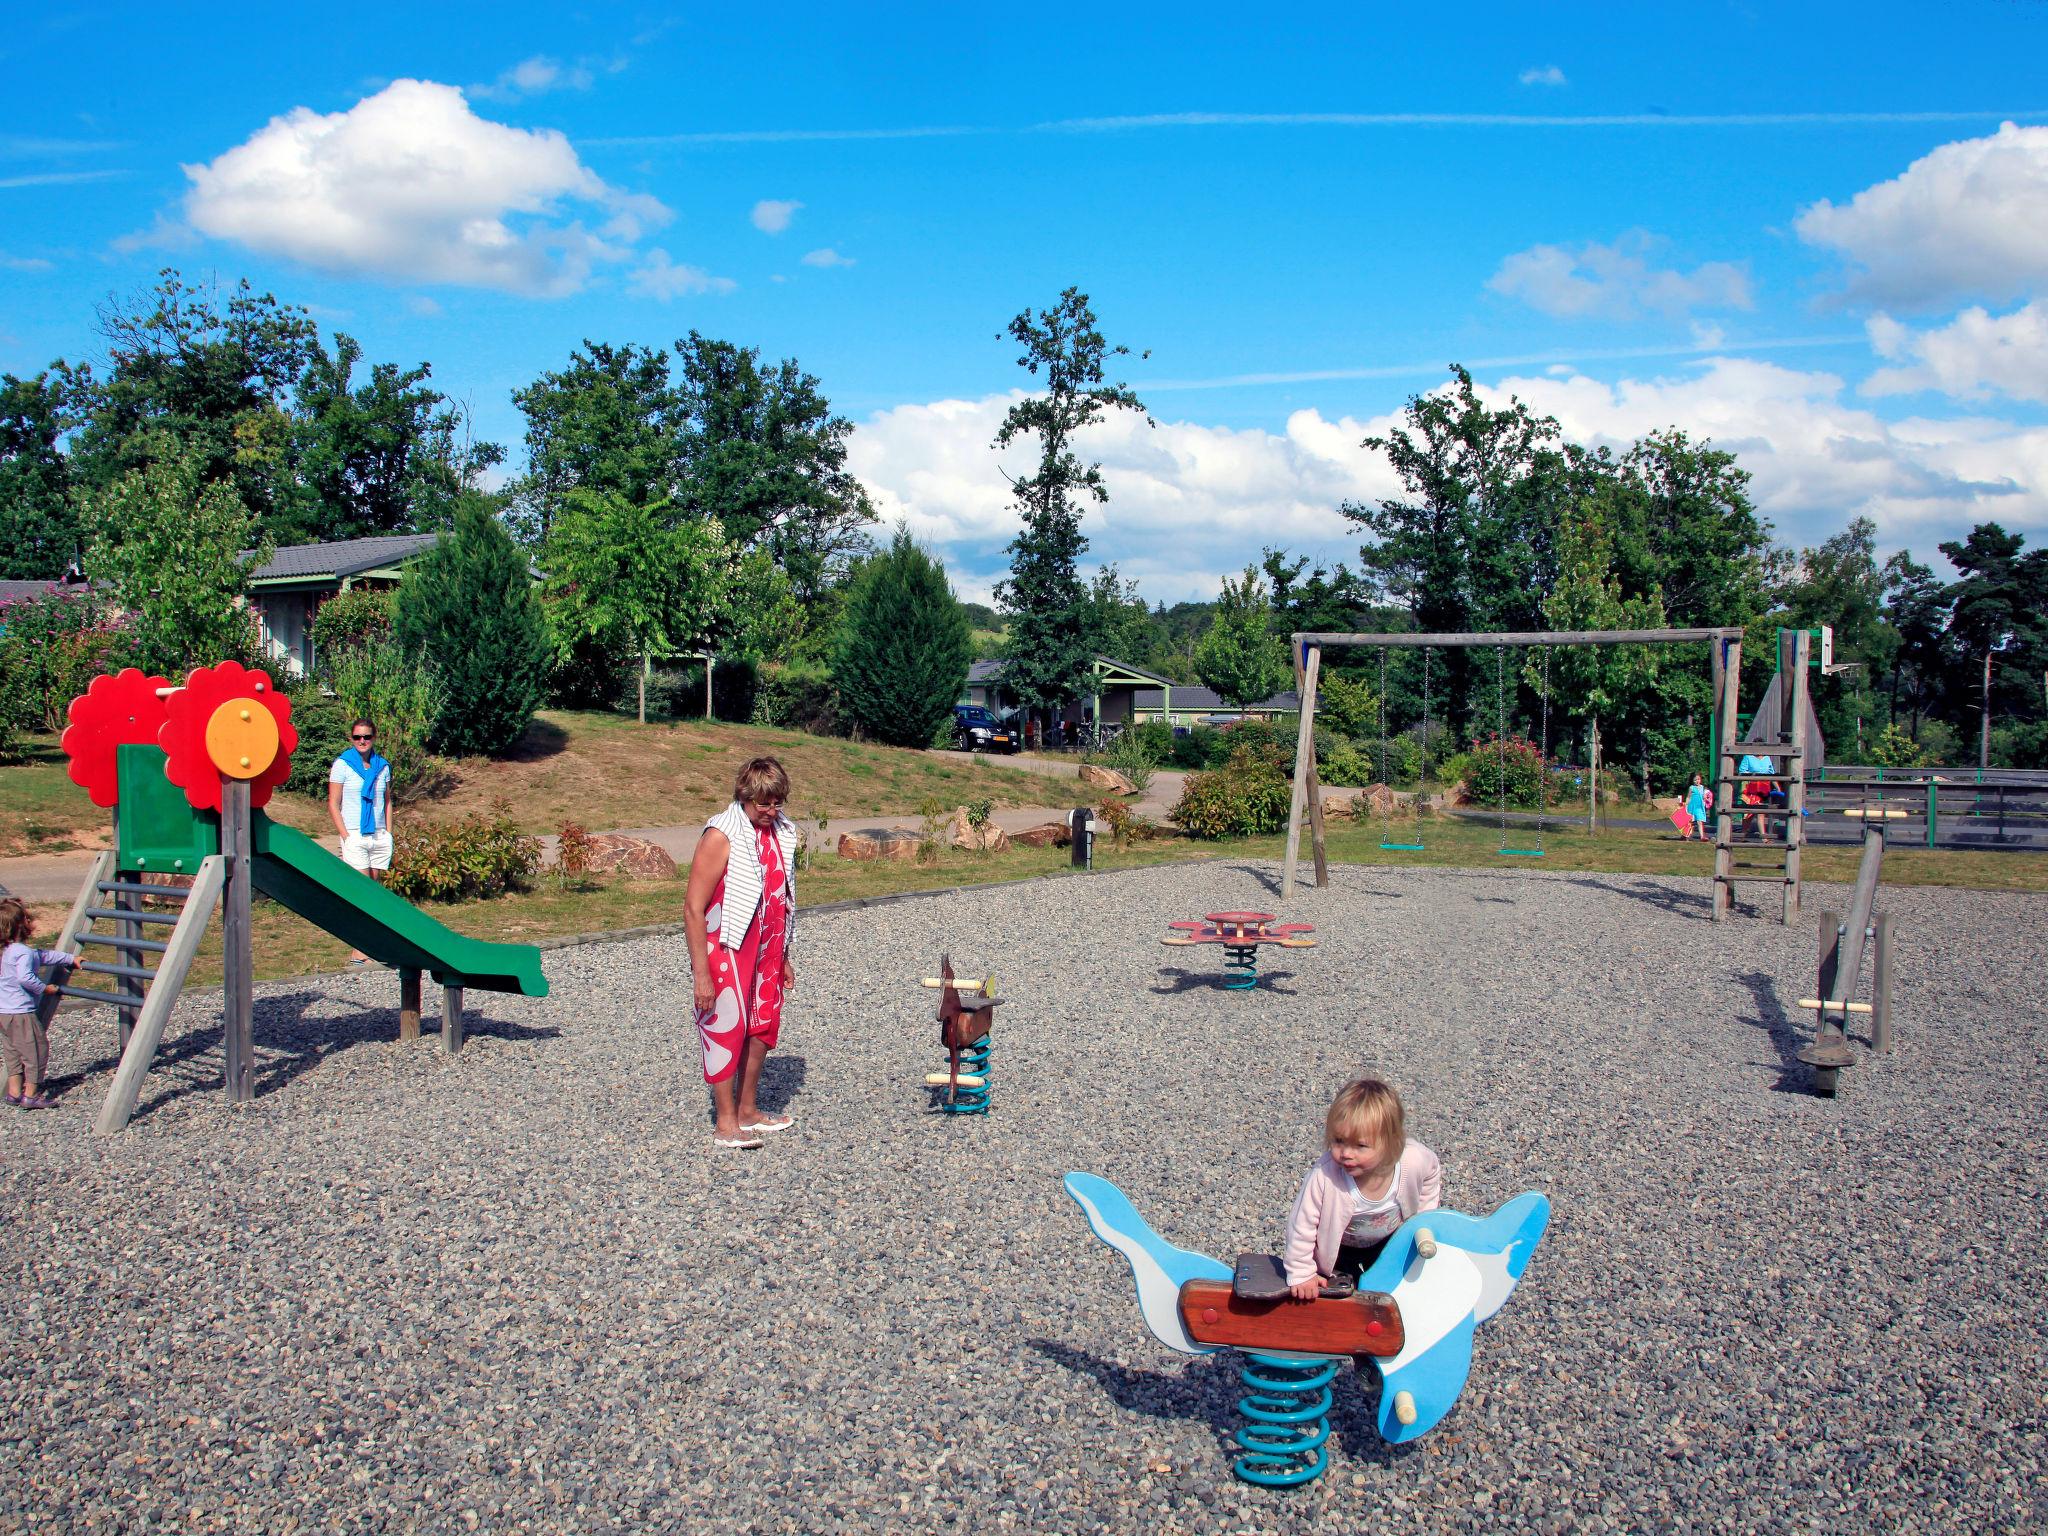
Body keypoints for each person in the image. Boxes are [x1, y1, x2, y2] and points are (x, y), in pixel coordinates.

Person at [685, 757, 799, 1150]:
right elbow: (693, 907)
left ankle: (748, 1108)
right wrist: (701, 974)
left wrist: (783, 954)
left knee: (762, 1024)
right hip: (729, 945)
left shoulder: (781, 833)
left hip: (767, 946)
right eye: (762, 804)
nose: (770, 811)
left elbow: (780, 897)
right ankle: (726, 1120)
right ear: (744, 797)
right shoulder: (721, 834)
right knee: (725, 1024)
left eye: (777, 803)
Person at [1283, 1078, 1442, 1300]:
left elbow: (1432, 1173)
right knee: (1342, 1297)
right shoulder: (1326, 1176)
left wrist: (1422, 1220)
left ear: (1390, 1143)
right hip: (1339, 1249)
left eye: (1360, 1145)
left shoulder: (1413, 1160)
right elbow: (1302, 1225)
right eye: (1339, 1141)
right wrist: (1301, 1273)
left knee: (1393, 1288)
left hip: (1388, 1240)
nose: (1346, 1153)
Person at [1, 898, 79, 1109]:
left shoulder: (8, 951)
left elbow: (43, 956)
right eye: (27, 917)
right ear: (21, 925)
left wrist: (69, 959)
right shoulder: (24, 953)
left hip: (4, 1013)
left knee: (13, 1052)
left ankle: (14, 1092)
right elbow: (25, 977)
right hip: (22, 1014)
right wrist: (44, 988)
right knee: (36, 1050)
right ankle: (31, 1095)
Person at [328, 718, 393, 963]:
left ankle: (371, 947)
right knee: (362, 892)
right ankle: (359, 948)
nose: (362, 741)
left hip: (377, 834)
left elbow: (386, 801)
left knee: (374, 892)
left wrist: (388, 832)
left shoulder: (383, 766)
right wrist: (345, 835)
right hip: (355, 833)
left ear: (374, 737)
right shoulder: (343, 765)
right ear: (351, 739)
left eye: (366, 737)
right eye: (357, 737)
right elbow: (333, 803)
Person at [1737, 751, 1774, 839]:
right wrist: (1753, 776)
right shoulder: (1748, 757)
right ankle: (1743, 835)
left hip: (1762, 789)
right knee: (1748, 814)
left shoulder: (1767, 758)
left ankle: (1763, 837)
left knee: (1760, 812)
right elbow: (1742, 771)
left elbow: (1771, 772)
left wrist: (1778, 788)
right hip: (1750, 788)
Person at [1684, 772, 1710, 841]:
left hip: (1699, 807)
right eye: (1695, 780)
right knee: (1690, 822)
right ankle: (1686, 835)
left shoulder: (1702, 787)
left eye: (1698, 779)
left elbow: (1705, 796)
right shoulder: (1691, 788)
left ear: (1700, 779)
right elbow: (1688, 797)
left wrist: (1705, 798)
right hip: (1692, 807)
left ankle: (1702, 837)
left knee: (1699, 821)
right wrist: (1686, 805)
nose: (1697, 781)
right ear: (1692, 781)